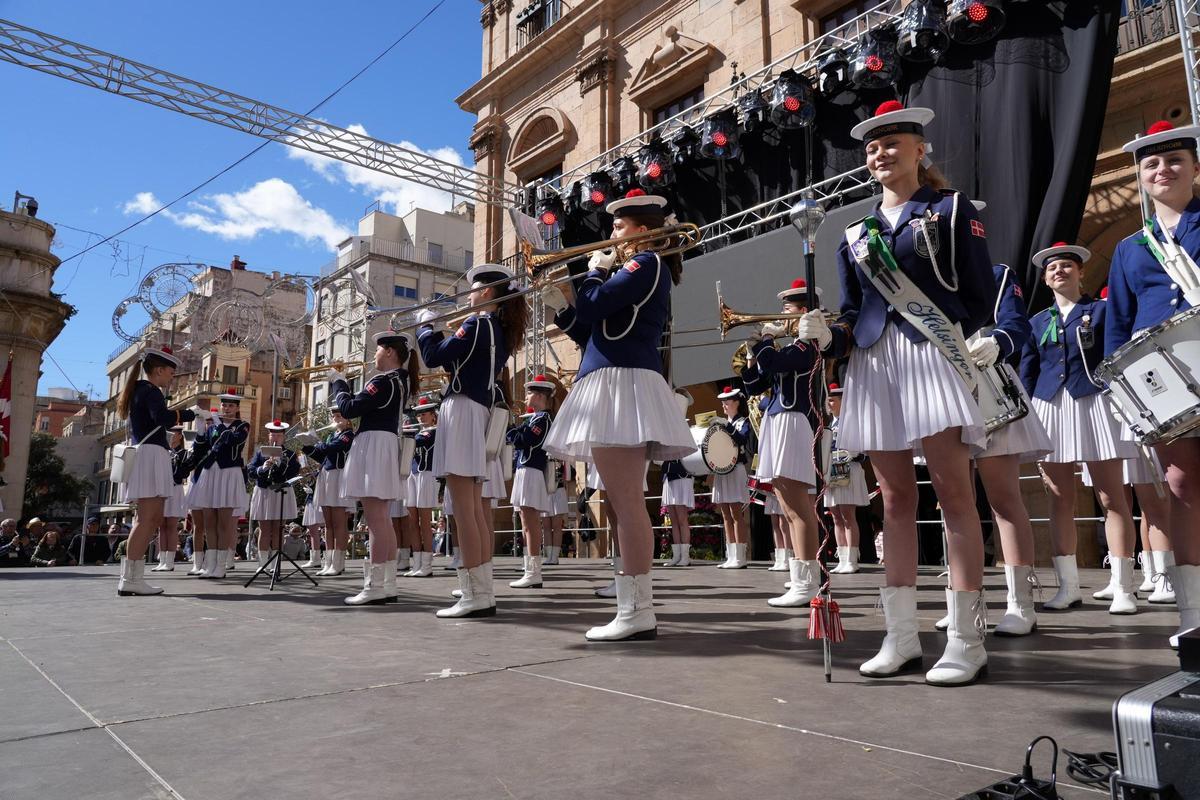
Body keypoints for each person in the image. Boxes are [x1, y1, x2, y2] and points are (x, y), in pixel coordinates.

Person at [801, 102, 999, 685]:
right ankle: (902, 635)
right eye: (871, 147)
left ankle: (966, 638)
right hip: (874, 362)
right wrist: (826, 333)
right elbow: (850, 314)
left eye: (893, 143)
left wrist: (991, 336)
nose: (880, 153)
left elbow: (982, 292)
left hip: (931, 353)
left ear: (920, 150)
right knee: (893, 501)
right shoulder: (854, 235)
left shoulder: (950, 209)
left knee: (954, 495)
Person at [544, 189, 694, 641]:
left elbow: (595, 305)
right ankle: (633, 605)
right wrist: (562, 308)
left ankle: (636, 611)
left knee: (627, 503)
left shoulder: (644, 264)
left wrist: (591, 275)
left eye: (619, 226)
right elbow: (594, 326)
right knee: (622, 501)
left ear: (643, 231)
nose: (611, 235)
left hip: (621, 381)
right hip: (614, 377)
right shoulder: (641, 268)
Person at [1109, 119, 1200, 646]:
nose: (1162, 170)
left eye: (1173, 161)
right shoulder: (1129, 248)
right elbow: (1119, 325)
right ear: (1141, 177)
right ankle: (1193, 614)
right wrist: (1121, 390)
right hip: (1164, 383)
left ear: (1193, 167)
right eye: (1151, 164)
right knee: (1181, 489)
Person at [1020, 242, 1138, 614]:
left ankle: (1123, 587)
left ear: (1081, 272)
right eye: (1053, 267)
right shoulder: (1037, 321)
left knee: (1110, 496)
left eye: (1068, 265)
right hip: (1049, 405)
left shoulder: (1102, 312)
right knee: (1059, 498)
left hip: (1094, 402)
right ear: (1045, 278)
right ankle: (1067, 587)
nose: (1060, 271)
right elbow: (1028, 369)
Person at [419, 263, 527, 618]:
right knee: (473, 510)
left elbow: (434, 356)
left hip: (463, 410)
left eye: (475, 288)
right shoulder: (497, 329)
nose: (469, 294)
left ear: (488, 293)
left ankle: (475, 594)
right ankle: (480, 590)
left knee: (464, 510)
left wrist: (426, 326)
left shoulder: (478, 323)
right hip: (475, 411)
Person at [961, 263, 1052, 636]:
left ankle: (1021, 603)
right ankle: (964, 602)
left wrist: (998, 341)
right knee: (955, 503)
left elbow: (1016, 322)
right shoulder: (918, 278)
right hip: (941, 388)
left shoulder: (994, 273)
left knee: (1004, 499)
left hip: (987, 381)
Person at [741, 278, 823, 608]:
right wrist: (751, 355)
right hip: (779, 421)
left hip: (794, 422)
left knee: (797, 504)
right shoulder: (789, 348)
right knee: (786, 504)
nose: (781, 315)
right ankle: (800, 573)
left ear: (803, 312)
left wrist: (767, 341)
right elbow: (755, 384)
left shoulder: (808, 345)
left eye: (787, 309)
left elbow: (774, 363)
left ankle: (807, 582)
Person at [328, 329, 417, 605]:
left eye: (378, 349)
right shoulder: (399, 381)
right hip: (384, 444)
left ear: (389, 351)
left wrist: (339, 383)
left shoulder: (383, 381)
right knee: (383, 519)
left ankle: (376, 585)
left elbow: (350, 408)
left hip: (374, 444)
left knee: (376, 519)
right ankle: (387, 583)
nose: (375, 355)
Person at [113, 346, 197, 595]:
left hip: (148, 453)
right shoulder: (150, 391)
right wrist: (190, 412)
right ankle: (130, 580)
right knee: (147, 519)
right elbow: (162, 417)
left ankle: (132, 578)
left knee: (147, 519)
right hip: (150, 455)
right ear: (159, 370)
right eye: (171, 372)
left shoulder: (141, 390)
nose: (172, 376)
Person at [193, 392, 249, 580]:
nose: (227, 409)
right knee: (209, 521)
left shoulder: (242, 426)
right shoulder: (213, 426)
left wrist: (216, 422)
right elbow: (200, 449)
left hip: (229, 473)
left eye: (231, 406)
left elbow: (233, 441)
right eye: (224, 405)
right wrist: (201, 428)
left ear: (237, 408)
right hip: (211, 473)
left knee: (224, 523)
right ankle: (210, 564)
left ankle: (222, 566)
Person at [506, 375, 556, 589]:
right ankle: (530, 570)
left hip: (532, 471)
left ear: (538, 395)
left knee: (530, 524)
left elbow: (523, 440)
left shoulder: (543, 420)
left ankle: (533, 572)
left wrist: (511, 429)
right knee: (526, 523)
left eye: (529, 393)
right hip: (525, 470)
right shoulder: (534, 419)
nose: (525, 397)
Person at [302, 409, 355, 577]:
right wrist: (307, 446)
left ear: (347, 419)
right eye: (334, 416)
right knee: (329, 523)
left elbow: (335, 448)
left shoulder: (348, 435)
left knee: (339, 522)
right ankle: (328, 561)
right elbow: (322, 456)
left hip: (339, 477)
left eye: (339, 416)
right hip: (326, 477)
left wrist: (316, 441)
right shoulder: (330, 437)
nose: (335, 418)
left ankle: (338, 563)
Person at [824, 383, 870, 575]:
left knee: (848, 515)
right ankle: (842, 559)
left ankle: (852, 559)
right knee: (835, 515)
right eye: (828, 400)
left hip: (848, 466)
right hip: (832, 468)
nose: (829, 403)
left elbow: (862, 450)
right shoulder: (829, 424)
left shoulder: (852, 422)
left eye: (833, 400)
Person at [247, 420, 301, 568]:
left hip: (280, 492)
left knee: (278, 529)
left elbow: (294, 472)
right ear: (269, 436)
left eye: (278, 435)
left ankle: (275, 564)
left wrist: (280, 463)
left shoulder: (289, 454)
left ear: (283, 437)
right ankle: (263, 563)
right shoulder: (261, 452)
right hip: (264, 491)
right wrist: (262, 468)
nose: (275, 438)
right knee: (264, 529)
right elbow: (251, 470)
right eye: (272, 434)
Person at [712, 386, 755, 569]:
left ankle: (740, 556)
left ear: (737, 403)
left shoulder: (743, 422)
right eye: (722, 403)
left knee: (737, 513)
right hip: (722, 471)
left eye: (727, 402)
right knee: (725, 513)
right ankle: (731, 556)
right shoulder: (722, 423)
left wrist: (727, 425)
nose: (724, 405)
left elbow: (742, 440)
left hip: (736, 468)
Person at [403, 397, 439, 577]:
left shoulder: (434, 432)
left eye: (424, 414)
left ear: (433, 416)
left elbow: (420, 441)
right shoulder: (418, 432)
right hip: (413, 475)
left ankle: (426, 565)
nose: (420, 417)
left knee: (424, 522)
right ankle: (416, 563)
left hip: (426, 475)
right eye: (418, 415)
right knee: (412, 521)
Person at [152, 426, 190, 572]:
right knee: (161, 526)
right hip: (161, 490)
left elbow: (183, 473)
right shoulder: (163, 451)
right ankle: (161, 559)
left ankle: (170, 560)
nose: (170, 435)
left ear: (180, 436)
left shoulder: (183, 453)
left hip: (174, 489)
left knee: (171, 525)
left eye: (173, 433)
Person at [184, 412, 215, 575]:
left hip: (211, 484)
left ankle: (211, 563)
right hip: (197, 482)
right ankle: (197, 564)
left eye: (211, 422)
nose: (208, 425)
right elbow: (195, 454)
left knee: (210, 525)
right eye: (206, 422)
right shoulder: (199, 440)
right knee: (198, 526)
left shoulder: (218, 441)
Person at [659, 458, 693, 567]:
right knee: (673, 521)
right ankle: (676, 556)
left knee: (682, 520)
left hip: (681, 477)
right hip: (668, 478)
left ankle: (685, 557)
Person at [542, 461, 572, 565]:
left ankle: (554, 557)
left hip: (558, 490)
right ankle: (549, 556)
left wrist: (561, 463)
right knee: (546, 526)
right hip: (545, 491)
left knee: (557, 526)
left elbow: (569, 475)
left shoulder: (562, 455)